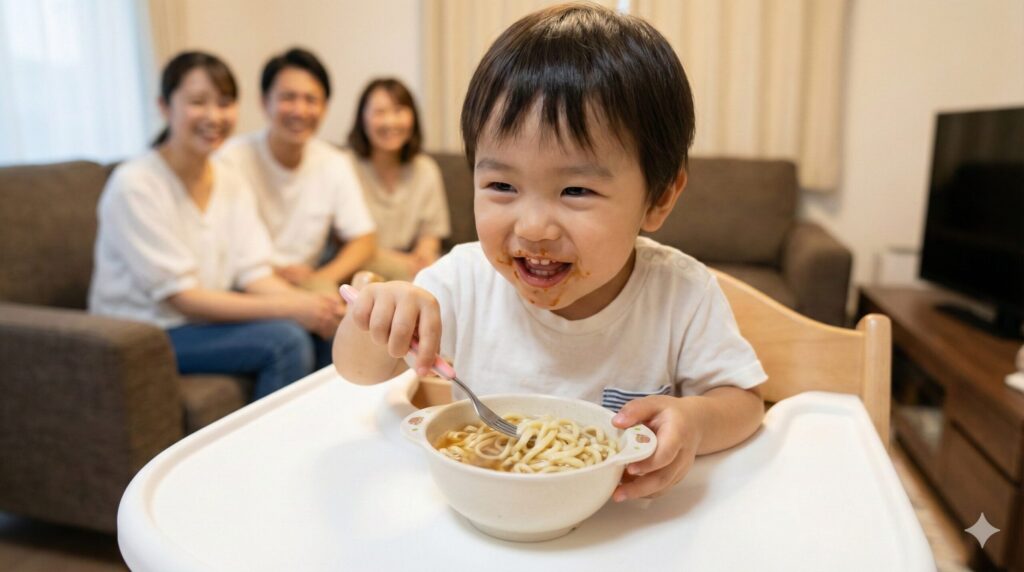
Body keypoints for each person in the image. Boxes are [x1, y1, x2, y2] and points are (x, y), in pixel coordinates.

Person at [332, 4, 766, 502]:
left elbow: (744, 401)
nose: (533, 227)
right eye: (501, 184)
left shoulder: (680, 294)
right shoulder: (462, 281)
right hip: (489, 517)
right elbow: (359, 371)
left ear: (660, 196)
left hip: (626, 528)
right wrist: (375, 315)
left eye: (575, 191)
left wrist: (694, 420)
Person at [89, 51, 341, 400]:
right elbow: (184, 298)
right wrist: (293, 307)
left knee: (327, 329)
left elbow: (254, 273)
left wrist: (315, 306)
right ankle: (266, 454)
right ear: (164, 106)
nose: (214, 116)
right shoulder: (136, 184)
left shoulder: (228, 178)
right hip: (146, 333)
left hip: (200, 323)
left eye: (224, 103)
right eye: (197, 102)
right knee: (285, 340)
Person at [218, 48, 376, 294]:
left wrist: (320, 279)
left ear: (325, 107)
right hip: (248, 287)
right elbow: (223, 244)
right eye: (288, 98)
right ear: (264, 102)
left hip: (308, 283)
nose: (299, 111)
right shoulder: (231, 160)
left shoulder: (334, 161)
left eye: (311, 100)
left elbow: (364, 240)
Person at [344, 78, 451, 281]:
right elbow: (344, 240)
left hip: (410, 265)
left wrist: (423, 255)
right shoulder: (345, 166)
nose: (390, 122)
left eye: (399, 110)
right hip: (361, 262)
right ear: (362, 118)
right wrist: (403, 262)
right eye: (380, 112)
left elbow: (431, 234)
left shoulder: (425, 169)